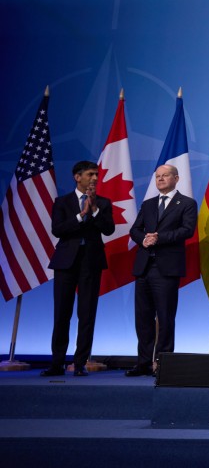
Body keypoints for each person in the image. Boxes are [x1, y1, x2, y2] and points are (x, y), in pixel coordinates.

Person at [42, 160, 115, 377]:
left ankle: (80, 363)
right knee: (61, 314)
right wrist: (81, 215)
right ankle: (56, 364)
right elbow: (58, 230)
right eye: (90, 174)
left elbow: (109, 230)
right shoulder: (62, 202)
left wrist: (94, 211)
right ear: (77, 177)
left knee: (87, 314)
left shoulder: (103, 202)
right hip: (66, 262)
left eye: (96, 174)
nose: (95, 178)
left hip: (91, 262)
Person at [125, 164, 197, 377]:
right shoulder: (148, 204)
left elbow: (187, 230)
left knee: (165, 318)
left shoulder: (187, 203)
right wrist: (144, 239)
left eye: (165, 175)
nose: (161, 179)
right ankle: (143, 363)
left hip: (166, 269)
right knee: (143, 319)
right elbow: (135, 229)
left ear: (176, 178)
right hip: (144, 268)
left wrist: (159, 238)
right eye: (158, 176)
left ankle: (163, 364)